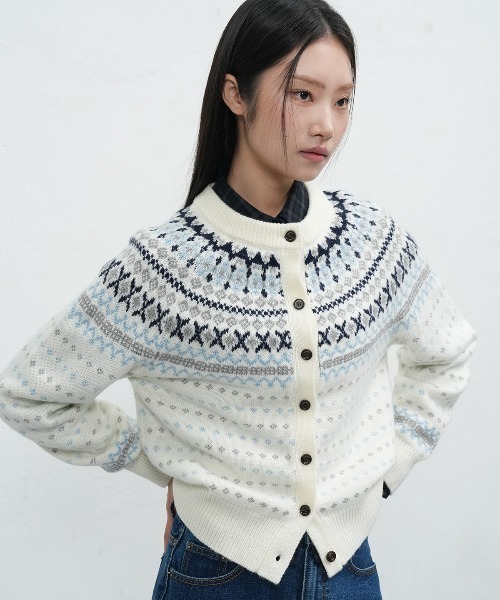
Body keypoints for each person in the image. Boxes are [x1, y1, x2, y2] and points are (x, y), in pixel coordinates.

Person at [0, 1, 476, 598]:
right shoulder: (166, 267)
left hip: (349, 572)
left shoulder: (371, 243)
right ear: (236, 94)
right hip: (215, 574)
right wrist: (158, 460)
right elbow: (31, 393)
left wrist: (387, 466)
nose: (326, 124)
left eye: (342, 100)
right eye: (302, 94)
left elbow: (448, 353)